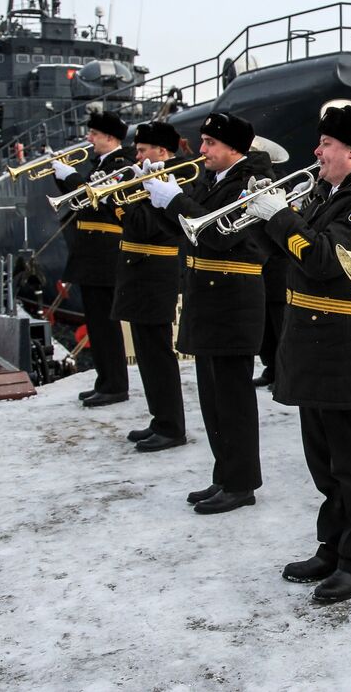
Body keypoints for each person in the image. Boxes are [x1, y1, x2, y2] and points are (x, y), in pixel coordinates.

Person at [247, 103, 351, 603]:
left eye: (326, 145)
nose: (316, 152)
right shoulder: (330, 192)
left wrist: (283, 218)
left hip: (341, 340)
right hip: (311, 337)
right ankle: (332, 545)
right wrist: (261, 217)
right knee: (322, 457)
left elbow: (319, 259)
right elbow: (287, 253)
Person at [144, 111, 269, 515]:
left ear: (234, 148)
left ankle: (241, 482)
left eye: (210, 143)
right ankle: (224, 474)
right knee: (212, 396)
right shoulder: (211, 179)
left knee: (232, 398)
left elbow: (217, 235)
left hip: (233, 297)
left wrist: (175, 199)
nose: (202, 151)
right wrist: (159, 200)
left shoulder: (249, 183)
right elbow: (185, 233)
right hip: (208, 297)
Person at [113, 121, 186, 451]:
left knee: (157, 353)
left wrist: (121, 203)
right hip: (139, 271)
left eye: (143, 149)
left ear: (162, 151)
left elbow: (145, 225)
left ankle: (171, 426)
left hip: (155, 271)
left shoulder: (173, 179)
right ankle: (160, 419)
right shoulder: (147, 178)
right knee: (146, 351)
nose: (137, 155)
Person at [52, 110, 132, 407]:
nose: (89, 138)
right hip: (91, 253)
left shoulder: (120, 165)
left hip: (105, 254)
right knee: (97, 324)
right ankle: (104, 381)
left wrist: (71, 178)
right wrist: (63, 179)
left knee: (106, 325)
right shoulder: (101, 164)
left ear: (110, 138)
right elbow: (80, 204)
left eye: (95, 134)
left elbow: (100, 204)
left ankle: (115, 385)